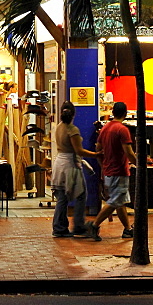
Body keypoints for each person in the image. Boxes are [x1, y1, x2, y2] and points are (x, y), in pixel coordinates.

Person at [50, 100, 99, 238]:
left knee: (62, 197)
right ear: (73, 114)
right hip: (70, 165)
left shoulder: (59, 127)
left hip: (59, 162)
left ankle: (59, 226)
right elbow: (79, 150)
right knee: (80, 195)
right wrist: (96, 155)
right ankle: (77, 226)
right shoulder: (72, 130)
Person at [88, 101, 135, 241]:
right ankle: (94, 225)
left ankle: (127, 229)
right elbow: (129, 152)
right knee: (115, 200)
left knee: (119, 201)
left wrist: (103, 165)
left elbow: (98, 150)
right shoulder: (122, 130)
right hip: (119, 170)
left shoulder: (105, 128)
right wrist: (140, 164)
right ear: (125, 114)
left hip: (108, 170)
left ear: (113, 112)